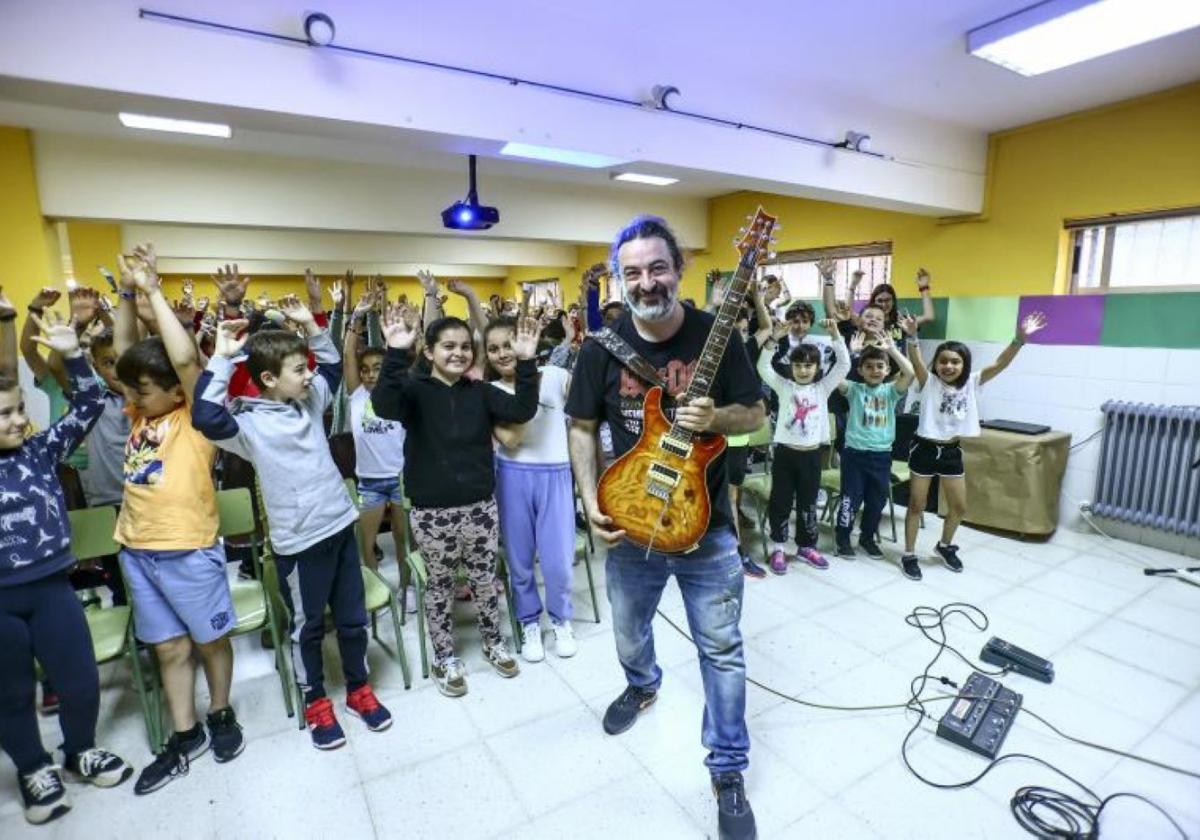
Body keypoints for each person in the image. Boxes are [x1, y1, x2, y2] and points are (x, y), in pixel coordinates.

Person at [565, 215, 764, 840]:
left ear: (679, 269)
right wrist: (587, 500)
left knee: (722, 650)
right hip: (629, 520)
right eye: (632, 273)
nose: (646, 282)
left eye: (657, 268)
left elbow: (755, 412)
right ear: (620, 282)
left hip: (708, 530)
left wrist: (719, 415)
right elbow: (580, 426)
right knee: (627, 631)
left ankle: (727, 767)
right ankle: (642, 684)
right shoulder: (602, 347)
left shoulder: (719, 334)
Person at [193, 296, 393, 749]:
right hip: (299, 543)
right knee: (308, 627)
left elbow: (335, 371)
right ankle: (317, 699)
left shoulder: (308, 401)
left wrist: (310, 325)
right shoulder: (247, 426)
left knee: (352, 617)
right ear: (268, 379)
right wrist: (223, 358)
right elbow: (204, 416)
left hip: (339, 526)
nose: (309, 375)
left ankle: (359, 689)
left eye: (306, 368)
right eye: (298, 370)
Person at [111, 244, 244, 795]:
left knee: (209, 642)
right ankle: (185, 733)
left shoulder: (196, 417)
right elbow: (125, 357)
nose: (133, 396)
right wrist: (126, 294)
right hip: (137, 550)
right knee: (168, 648)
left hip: (189, 548)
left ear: (172, 391)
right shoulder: (142, 410)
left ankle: (220, 712)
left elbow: (187, 361)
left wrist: (156, 292)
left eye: (144, 389)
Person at [0, 311, 133, 825]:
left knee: (79, 682)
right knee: (12, 695)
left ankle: (79, 750)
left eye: (18, 410)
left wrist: (74, 356)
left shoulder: (39, 450)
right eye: (7, 414)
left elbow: (90, 404)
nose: (20, 420)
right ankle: (33, 769)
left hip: (54, 589)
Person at [371, 307, 539, 698]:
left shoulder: (480, 391)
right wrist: (396, 352)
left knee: (484, 581)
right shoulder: (412, 390)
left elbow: (522, 409)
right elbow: (383, 406)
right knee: (440, 586)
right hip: (432, 512)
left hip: (480, 506)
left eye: (465, 346)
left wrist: (527, 362)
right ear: (428, 352)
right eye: (448, 346)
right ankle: (444, 657)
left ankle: (493, 642)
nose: (459, 353)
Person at [898, 311, 1047, 580]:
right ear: (937, 364)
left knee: (959, 507)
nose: (948, 366)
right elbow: (917, 360)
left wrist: (1019, 339)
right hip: (925, 449)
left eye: (955, 361)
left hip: (952, 452)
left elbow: (1000, 364)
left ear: (964, 365)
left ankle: (944, 546)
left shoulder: (971, 382)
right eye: (943, 361)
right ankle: (909, 554)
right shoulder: (929, 381)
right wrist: (912, 336)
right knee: (916, 505)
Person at [483, 318, 577, 663]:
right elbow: (512, 438)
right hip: (513, 476)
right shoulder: (491, 392)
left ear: (527, 341)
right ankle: (528, 622)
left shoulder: (555, 375)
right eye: (493, 349)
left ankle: (561, 619)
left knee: (558, 561)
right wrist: (525, 377)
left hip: (556, 473)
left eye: (509, 344)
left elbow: (587, 405)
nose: (503, 353)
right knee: (520, 560)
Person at [757, 319, 851, 573]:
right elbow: (763, 366)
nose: (803, 370)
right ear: (791, 367)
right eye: (798, 365)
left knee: (808, 503)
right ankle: (778, 547)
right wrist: (774, 339)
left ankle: (806, 546)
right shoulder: (784, 385)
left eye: (808, 365)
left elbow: (844, 365)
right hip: (786, 456)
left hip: (812, 457)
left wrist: (835, 335)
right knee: (780, 502)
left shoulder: (823, 387)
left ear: (817, 367)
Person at [343, 289, 410, 593]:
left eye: (377, 369)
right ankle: (373, 589)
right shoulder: (357, 395)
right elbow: (347, 355)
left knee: (402, 539)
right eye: (365, 370)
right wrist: (356, 316)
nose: (370, 376)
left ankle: (409, 587)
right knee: (365, 543)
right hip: (369, 481)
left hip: (400, 478)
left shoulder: (401, 394)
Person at [833, 333, 915, 561]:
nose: (875, 370)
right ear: (860, 370)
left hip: (881, 456)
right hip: (854, 456)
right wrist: (850, 354)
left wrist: (892, 350)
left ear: (887, 370)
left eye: (880, 366)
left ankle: (867, 537)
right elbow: (835, 376)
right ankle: (843, 537)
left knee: (877, 500)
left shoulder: (890, 392)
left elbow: (909, 372)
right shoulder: (854, 389)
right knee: (851, 498)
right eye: (868, 366)